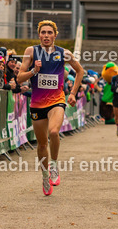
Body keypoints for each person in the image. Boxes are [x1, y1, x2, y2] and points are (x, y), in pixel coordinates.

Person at [17, 19, 85, 196]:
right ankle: (45, 175)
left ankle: (53, 164)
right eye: (43, 32)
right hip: (37, 103)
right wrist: (34, 71)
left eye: (49, 33)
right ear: (39, 34)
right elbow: (19, 78)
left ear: (55, 35)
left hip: (57, 100)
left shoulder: (64, 53)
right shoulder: (31, 51)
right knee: (41, 144)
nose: (46, 36)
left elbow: (80, 71)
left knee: (54, 132)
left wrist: (73, 93)